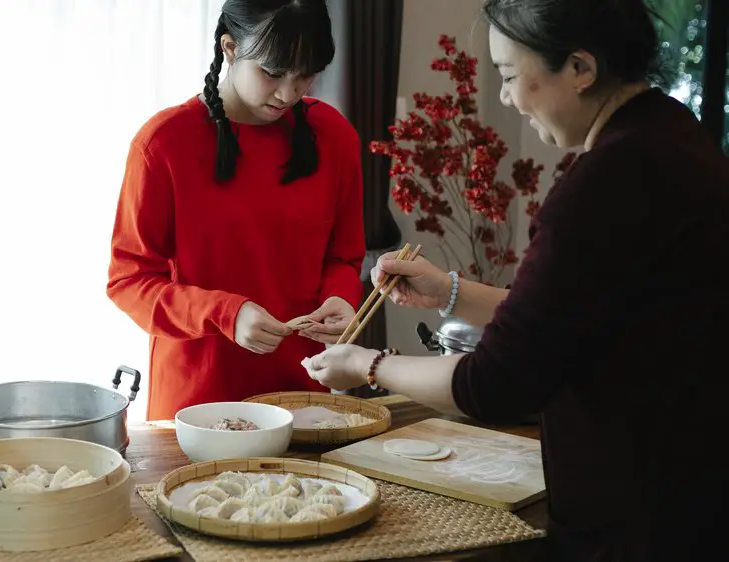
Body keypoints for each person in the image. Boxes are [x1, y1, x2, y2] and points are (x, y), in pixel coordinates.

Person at [302, 0, 729, 560]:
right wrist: (450, 291)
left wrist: (367, 364)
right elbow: (576, 310)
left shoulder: (605, 183)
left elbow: (496, 384)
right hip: (694, 483)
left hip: (640, 504)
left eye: (508, 76)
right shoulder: (673, 133)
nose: (504, 97)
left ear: (580, 68)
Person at [107, 0, 365, 421]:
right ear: (230, 48)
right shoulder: (163, 144)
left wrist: (341, 296)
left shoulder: (334, 136)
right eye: (272, 72)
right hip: (195, 406)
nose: (289, 92)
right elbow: (129, 281)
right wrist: (225, 313)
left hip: (302, 397)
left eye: (305, 75)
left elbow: (343, 254)